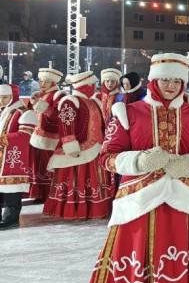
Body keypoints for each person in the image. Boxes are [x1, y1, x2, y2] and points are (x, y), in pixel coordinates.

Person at [67, 53, 189, 283]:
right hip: (138, 202)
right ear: (153, 80)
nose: (171, 85)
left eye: (176, 80)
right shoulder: (128, 111)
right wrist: (139, 160)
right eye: (165, 79)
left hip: (181, 200)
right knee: (139, 259)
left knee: (174, 261)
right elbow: (107, 158)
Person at [42, 71, 111, 220]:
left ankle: (91, 207)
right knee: (76, 177)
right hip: (79, 147)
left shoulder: (94, 102)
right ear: (86, 85)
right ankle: (75, 209)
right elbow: (66, 123)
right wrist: (70, 145)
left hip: (95, 146)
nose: (95, 87)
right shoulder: (70, 100)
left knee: (92, 178)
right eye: (92, 85)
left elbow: (102, 124)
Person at [0, 84, 38, 230]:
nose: (2, 100)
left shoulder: (24, 113)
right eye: (0, 97)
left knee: (12, 191)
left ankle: (11, 219)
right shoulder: (2, 111)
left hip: (13, 158)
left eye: (5, 97)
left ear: (13, 96)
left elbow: (24, 135)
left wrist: (2, 139)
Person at [28, 67, 65, 201]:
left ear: (53, 83)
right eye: (41, 81)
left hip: (51, 137)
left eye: (46, 82)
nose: (42, 84)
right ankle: (40, 193)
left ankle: (50, 193)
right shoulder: (41, 94)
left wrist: (39, 105)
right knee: (38, 166)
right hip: (38, 136)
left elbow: (58, 115)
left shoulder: (58, 95)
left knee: (48, 166)